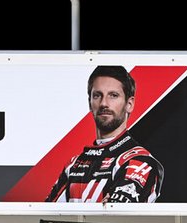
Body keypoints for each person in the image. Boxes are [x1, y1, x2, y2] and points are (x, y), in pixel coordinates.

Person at [45, 65, 164, 203]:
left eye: (113, 95)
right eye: (97, 95)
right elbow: (46, 217)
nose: (104, 103)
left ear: (129, 104)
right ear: (90, 103)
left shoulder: (140, 161)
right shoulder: (74, 164)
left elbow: (117, 217)